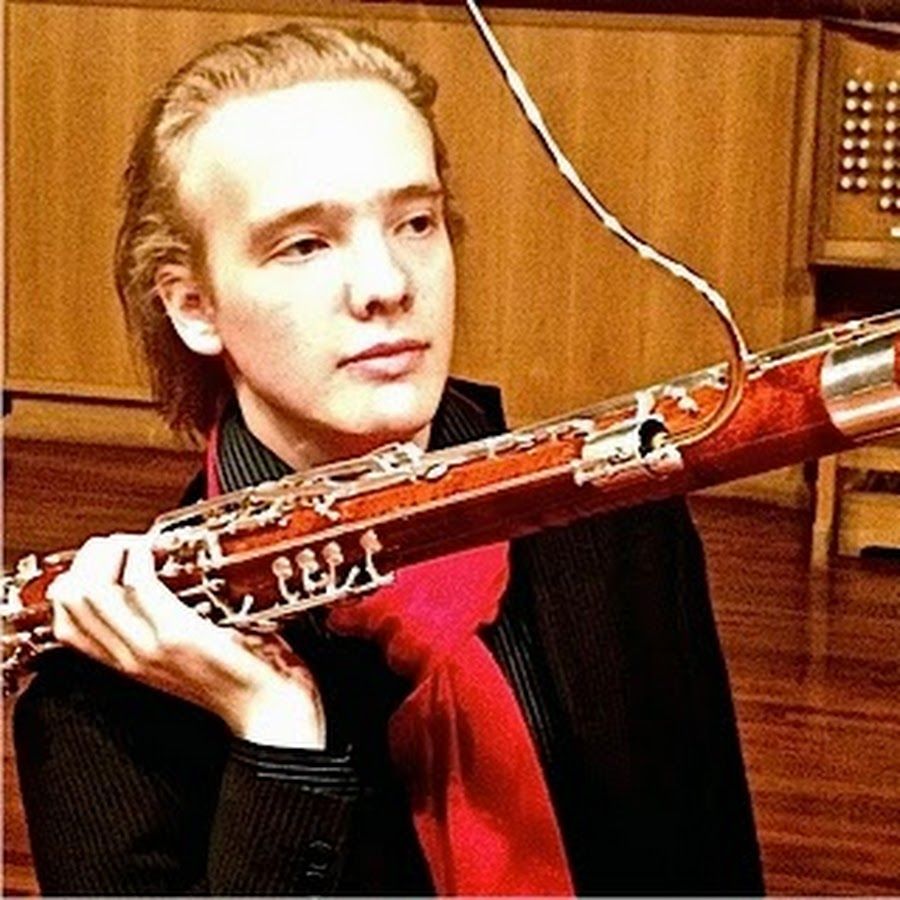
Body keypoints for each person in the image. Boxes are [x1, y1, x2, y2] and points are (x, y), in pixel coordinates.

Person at [13, 21, 763, 896]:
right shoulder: (98, 697)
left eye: (415, 221)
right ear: (193, 307)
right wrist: (278, 740)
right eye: (305, 243)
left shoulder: (618, 521)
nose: (387, 284)